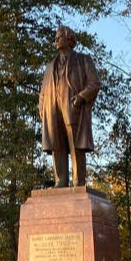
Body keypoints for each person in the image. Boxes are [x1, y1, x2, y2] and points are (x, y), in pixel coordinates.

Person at [39, 25, 100, 187]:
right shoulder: (49, 66)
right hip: (52, 110)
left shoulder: (83, 60)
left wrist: (80, 98)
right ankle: (61, 180)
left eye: (60, 37)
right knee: (56, 145)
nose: (56, 40)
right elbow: (43, 92)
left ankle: (78, 180)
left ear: (69, 39)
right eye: (55, 38)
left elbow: (94, 84)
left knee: (76, 146)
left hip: (73, 109)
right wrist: (42, 109)